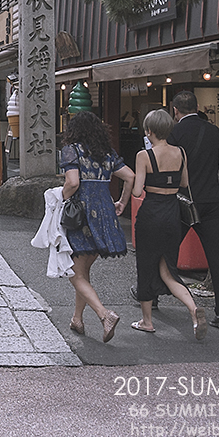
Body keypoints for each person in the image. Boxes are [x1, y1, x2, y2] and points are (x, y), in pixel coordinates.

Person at [131, 109, 208, 339]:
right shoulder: (181, 153)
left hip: (151, 213)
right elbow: (184, 182)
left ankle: (147, 321)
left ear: (149, 131)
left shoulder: (144, 156)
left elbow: (137, 191)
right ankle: (194, 310)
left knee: (146, 266)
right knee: (168, 270)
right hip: (172, 213)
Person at [59, 112, 134, 343]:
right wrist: (122, 202)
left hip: (81, 216)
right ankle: (77, 319)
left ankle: (104, 315)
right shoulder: (107, 154)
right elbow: (130, 176)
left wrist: (58, 198)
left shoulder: (72, 150)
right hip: (105, 216)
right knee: (83, 271)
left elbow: (72, 182)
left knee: (72, 271)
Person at [168, 91, 219, 330]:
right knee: (215, 255)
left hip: (185, 200)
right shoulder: (214, 131)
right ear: (196, 107)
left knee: (168, 248)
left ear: (176, 110)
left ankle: (151, 294)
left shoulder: (175, 133)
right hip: (212, 199)